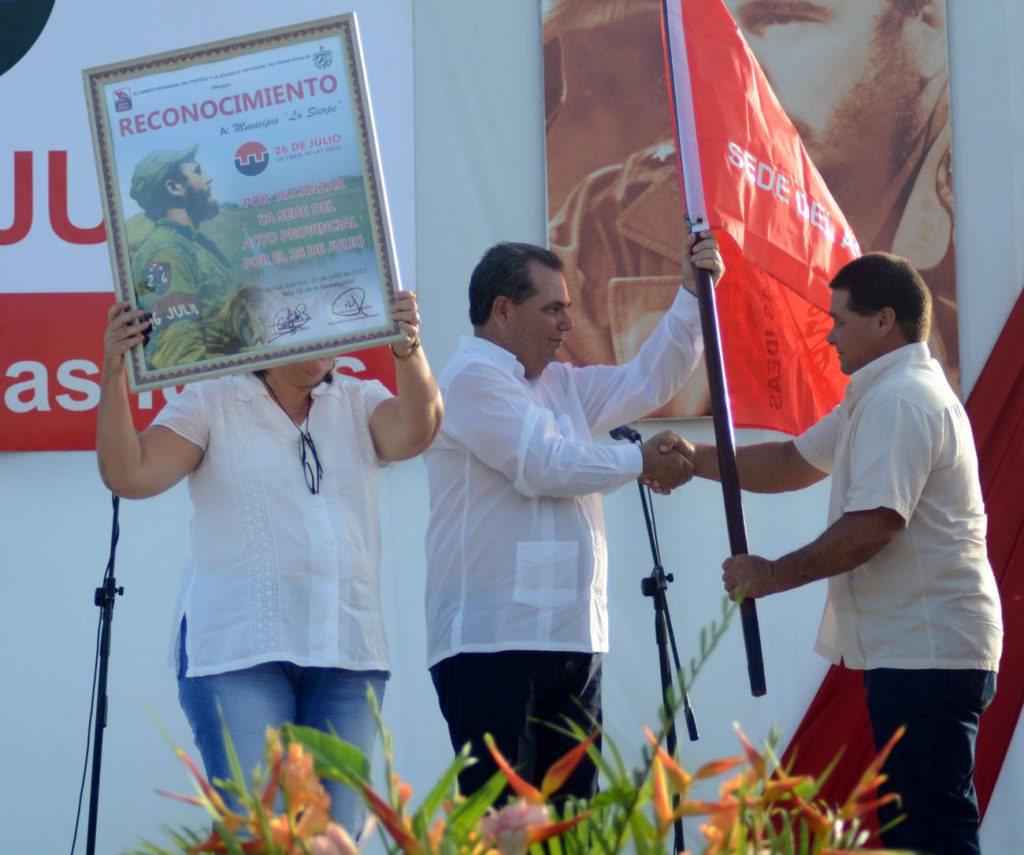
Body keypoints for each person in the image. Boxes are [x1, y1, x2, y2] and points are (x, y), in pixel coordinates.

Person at [682, 253, 1002, 855]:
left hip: (927, 652)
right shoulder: (881, 394)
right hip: (916, 651)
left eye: (841, 321)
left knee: (933, 833)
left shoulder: (902, 399)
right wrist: (695, 461)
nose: (830, 335)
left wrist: (772, 574)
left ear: (885, 321)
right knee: (921, 829)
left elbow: (875, 523)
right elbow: (793, 462)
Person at [96, 291, 442, 832]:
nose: (320, 327)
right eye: (301, 314)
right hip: (239, 655)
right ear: (255, 326)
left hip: (345, 653)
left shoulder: (355, 399)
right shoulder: (212, 399)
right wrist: (115, 370)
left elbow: (416, 432)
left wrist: (410, 350)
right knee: (259, 836)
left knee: (334, 840)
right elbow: (131, 473)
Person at [424, 231, 724, 800]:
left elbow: (648, 382)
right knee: (507, 827)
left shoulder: (559, 383)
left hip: (572, 638)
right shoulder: (471, 380)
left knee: (571, 827)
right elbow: (544, 465)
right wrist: (638, 459)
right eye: (553, 309)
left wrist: (691, 294)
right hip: (493, 645)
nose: (567, 323)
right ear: (503, 310)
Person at [545, 0, 959, 407]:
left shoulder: (988, 231)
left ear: (929, 26)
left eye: (782, 18)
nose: (733, 68)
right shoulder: (610, 219)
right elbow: (558, 416)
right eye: (716, 31)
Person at [128, 145, 242, 368]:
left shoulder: (192, 243)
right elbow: (179, 358)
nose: (208, 179)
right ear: (174, 188)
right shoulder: (167, 251)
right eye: (198, 172)